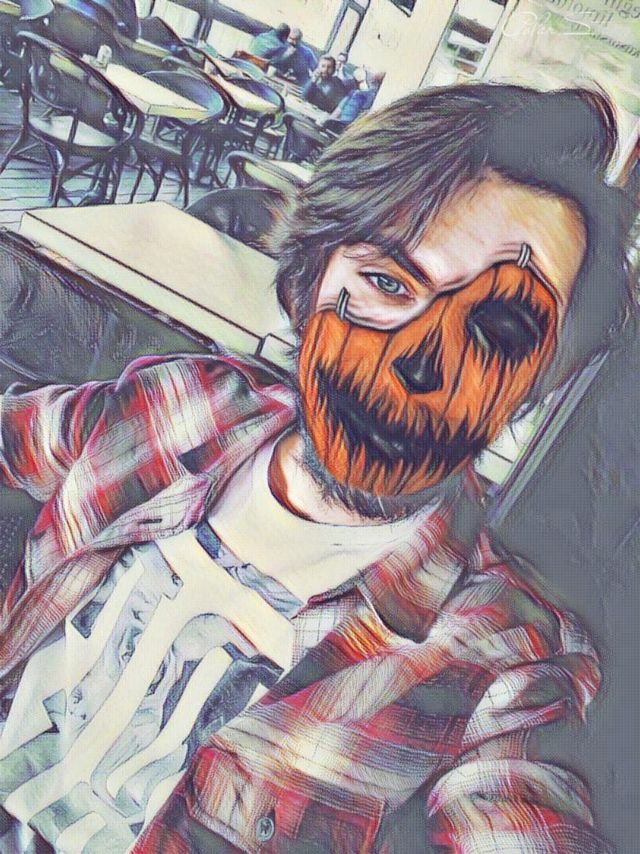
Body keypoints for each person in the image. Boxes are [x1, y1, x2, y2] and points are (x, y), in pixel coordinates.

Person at [0, 84, 633, 853]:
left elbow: (516, 816)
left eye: (498, 334)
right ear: (309, 281)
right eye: (388, 282)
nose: (420, 364)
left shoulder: (499, 657)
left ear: (535, 387)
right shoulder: (177, 409)